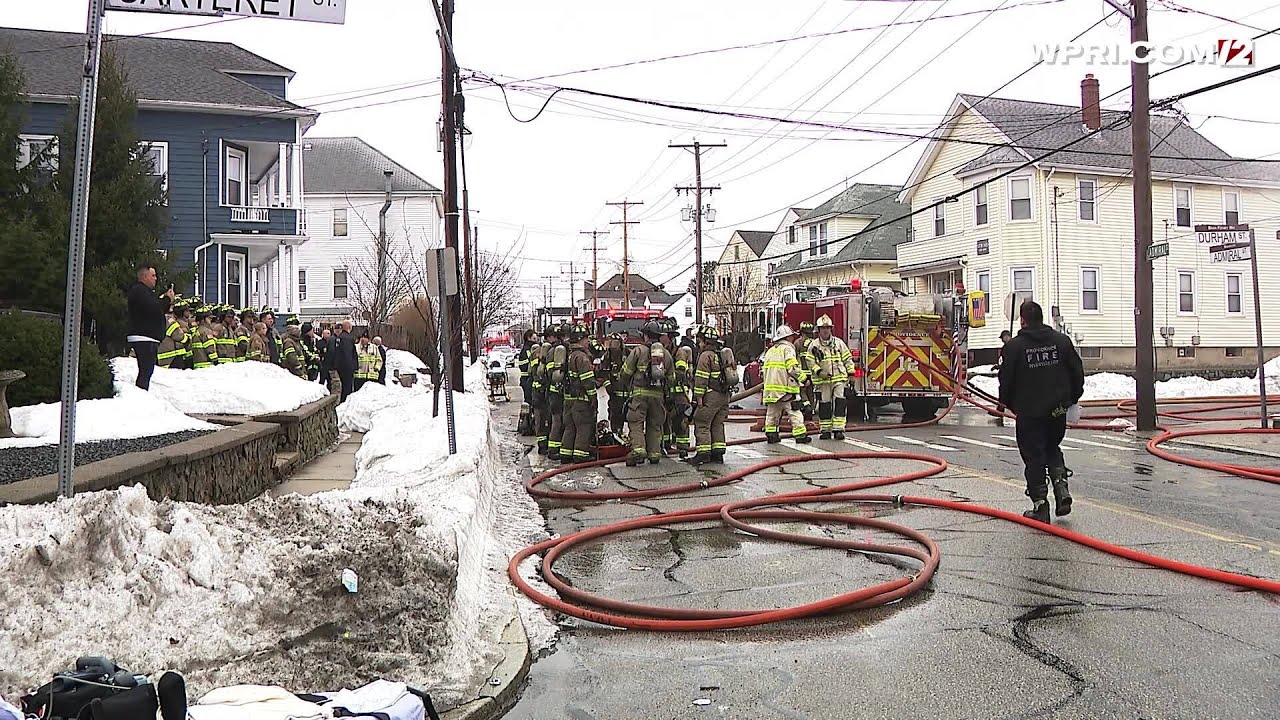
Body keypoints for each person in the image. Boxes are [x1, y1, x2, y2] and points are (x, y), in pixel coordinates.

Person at [998, 300, 1085, 524]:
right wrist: (1071, 400)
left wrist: (1008, 404)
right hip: (1056, 411)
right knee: (1052, 447)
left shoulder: (1014, 347)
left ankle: (1040, 505)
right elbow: (1077, 372)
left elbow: (1006, 380)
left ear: (1023, 320)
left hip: (1029, 412)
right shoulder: (1061, 342)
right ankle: (1061, 488)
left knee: (1034, 455)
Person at [619, 321, 673, 466]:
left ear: (646, 335)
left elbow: (626, 373)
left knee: (636, 422)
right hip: (658, 396)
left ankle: (638, 449)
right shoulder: (666, 354)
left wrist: (625, 382)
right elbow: (671, 379)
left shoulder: (638, 351)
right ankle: (654, 454)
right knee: (655, 425)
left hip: (639, 395)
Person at [688, 325, 734, 466]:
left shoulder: (705, 355)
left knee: (702, 423)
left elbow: (701, 378)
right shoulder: (721, 354)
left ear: (704, 341)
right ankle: (718, 454)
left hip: (710, 396)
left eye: (700, 340)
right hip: (724, 396)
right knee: (717, 424)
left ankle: (703, 454)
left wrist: (699, 397)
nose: (699, 343)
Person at [126, 263, 175, 389]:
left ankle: (142, 394)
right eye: (153, 275)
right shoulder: (139, 291)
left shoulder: (145, 293)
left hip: (148, 337)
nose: (156, 278)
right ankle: (140, 395)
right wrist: (167, 299)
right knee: (145, 371)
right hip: (143, 337)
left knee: (147, 371)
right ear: (144, 277)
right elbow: (155, 309)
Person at [762, 325, 810, 444]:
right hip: (786, 389)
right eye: (791, 336)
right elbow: (792, 368)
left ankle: (771, 434)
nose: (793, 338)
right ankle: (800, 435)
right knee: (794, 412)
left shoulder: (770, 351)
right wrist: (804, 379)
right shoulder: (788, 349)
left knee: (772, 413)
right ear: (787, 337)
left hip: (771, 390)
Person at [813, 314, 857, 440]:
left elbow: (847, 359)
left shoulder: (839, 343)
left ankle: (838, 429)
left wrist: (851, 374)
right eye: (823, 328)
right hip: (823, 381)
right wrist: (819, 372)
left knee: (840, 403)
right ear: (819, 330)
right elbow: (810, 362)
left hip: (839, 379)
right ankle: (825, 430)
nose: (825, 330)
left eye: (827, 328)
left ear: (831, 329)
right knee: (825, 404)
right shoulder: (814, 346)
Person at [559, 323, 598, 464]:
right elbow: (587, 380)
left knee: (570, 427)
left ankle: (565, 453)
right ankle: (581, 455)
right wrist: (593, 397)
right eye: (586, 338)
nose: (588, 341)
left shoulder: (570, 355)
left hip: (570, 399)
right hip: (581, 399)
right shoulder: (582, 357)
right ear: (580, 339)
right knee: (584, 426)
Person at [667, 324, 693, 458]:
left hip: (679, 394)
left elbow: (681, 372)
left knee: (681, 421)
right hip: (666, 394)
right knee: (664, 420)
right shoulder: (661, 352)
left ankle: (683, 448)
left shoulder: (680, 352)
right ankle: (665, 445)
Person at [545, 325, 569, 461]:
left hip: (552, 391)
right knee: (558, 420)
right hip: (557, 392)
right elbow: (554, 373)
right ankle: (553, 449)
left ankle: (553, 447)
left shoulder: (551, 351)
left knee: (556, 419)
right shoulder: (558, 351)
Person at [601, 332, 628, 434]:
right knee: (615, 415)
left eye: (615, 343)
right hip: (614, 393)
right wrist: (608, 386)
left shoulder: (628, 354)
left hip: (627, 392)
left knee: (631, 417)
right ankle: (616, 434)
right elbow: (603, 372)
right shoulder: (607, 356)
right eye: (610, 343)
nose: (613, 346)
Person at [157, 296, 191, 370]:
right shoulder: (169, 320)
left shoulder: (158, 318)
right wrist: (187, 339)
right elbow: (178, 335)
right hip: (173, 357)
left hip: (163, 357)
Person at [795, 321, 819, 422]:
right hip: (813, 372)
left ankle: (807, 406)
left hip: (802, 373)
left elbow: (794, 358)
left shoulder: (797, 343)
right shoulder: (815, 343)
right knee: (811, 393)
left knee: (802, 392)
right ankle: (812, 409)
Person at [332, 320, 358, 400]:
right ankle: (345, 402)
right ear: (349, 327)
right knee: (347, 387)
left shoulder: (339, 338)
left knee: (344, 386)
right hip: (346, 367)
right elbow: (347, 354)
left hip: (340, 366)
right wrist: (352, 367)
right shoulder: (347, 338)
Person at [191, 305, 221, 369]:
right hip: (207, 365)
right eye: (209, 318)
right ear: (202, 319)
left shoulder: (196, 331)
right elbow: (210, 348)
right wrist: (215, 361)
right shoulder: (206, 331)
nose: (211, 319)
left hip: (197, 364)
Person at [517, 329, 538, 402]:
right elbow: (525, 365)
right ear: (529, 338)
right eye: (534, 339)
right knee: (529, 401)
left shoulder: (529, 349)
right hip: (527, 380)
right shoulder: (527, 350)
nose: (536, 341)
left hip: (528, 379)